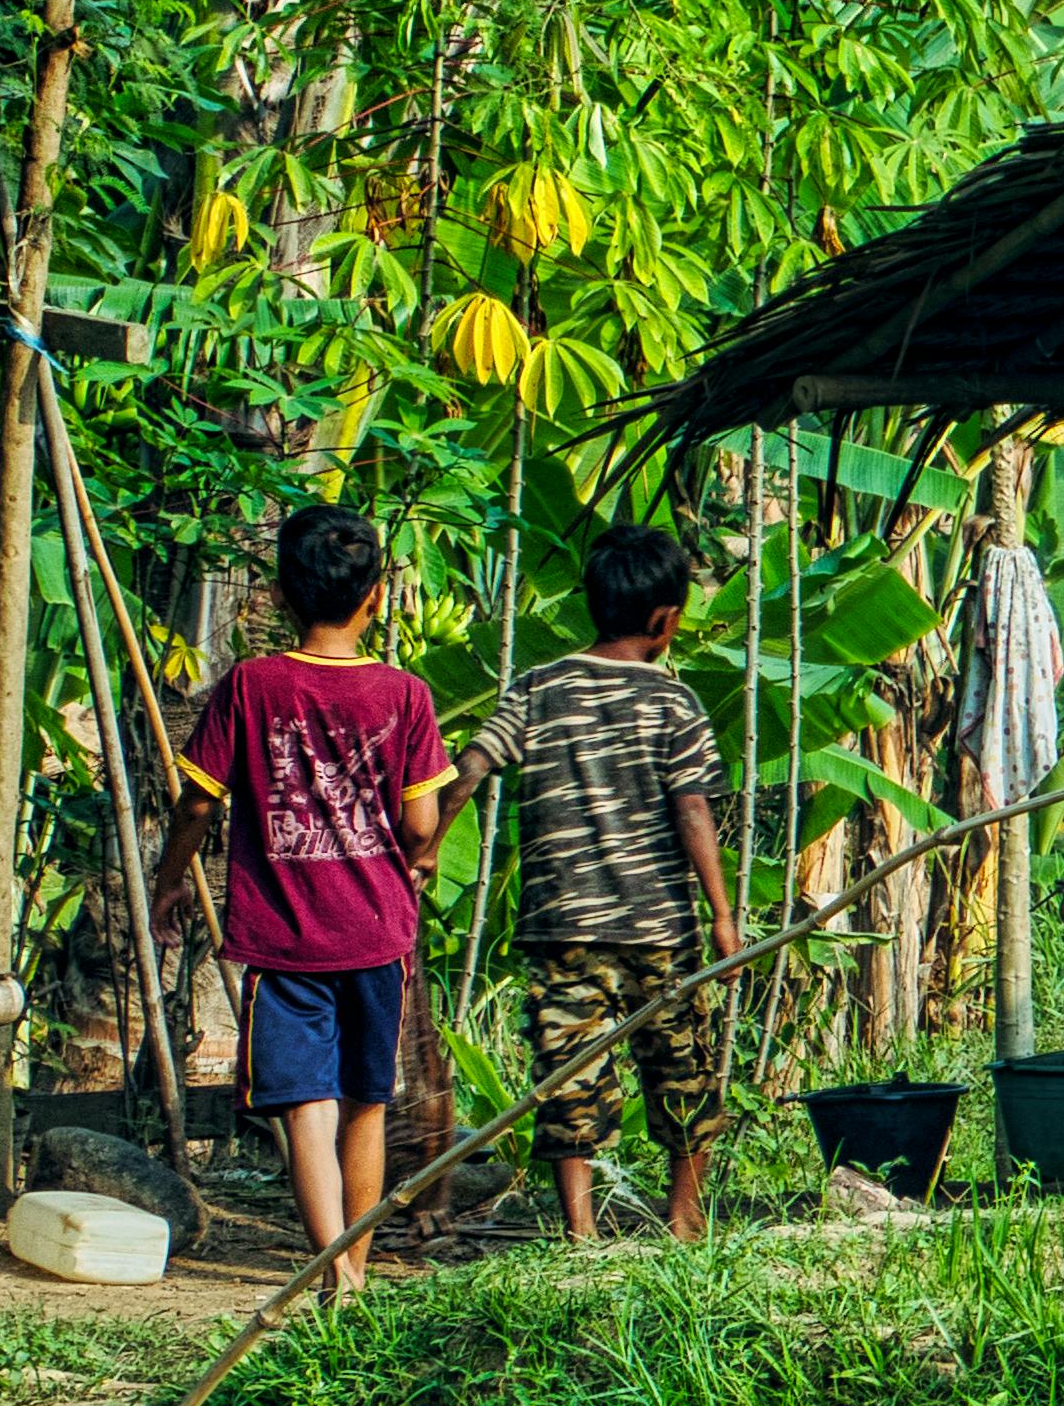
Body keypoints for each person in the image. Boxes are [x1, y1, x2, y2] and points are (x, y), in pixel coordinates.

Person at [157, 502, 446, 1300]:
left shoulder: (251, 686)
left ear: (281, 595)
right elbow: (422, 820)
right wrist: (418, 860)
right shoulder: (405, 695)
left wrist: (170, 881)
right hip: (377, 932)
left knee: (304, 1107)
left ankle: (334, 1272)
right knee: (366, 1102)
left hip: (286, 940)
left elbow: (196, 805)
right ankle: (352, 1264)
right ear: (377, 595)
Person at [439, 522, 738, 1241]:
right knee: (683, 1070)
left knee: (568, 1071)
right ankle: (683, 1214)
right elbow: (693, 808)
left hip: (561, 922)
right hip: (658, 925)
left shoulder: (537, 687)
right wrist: (722, 913)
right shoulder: (675, 704)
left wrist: (425, 847)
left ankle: (580, 1229)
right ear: (668, 618)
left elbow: (471, 769)